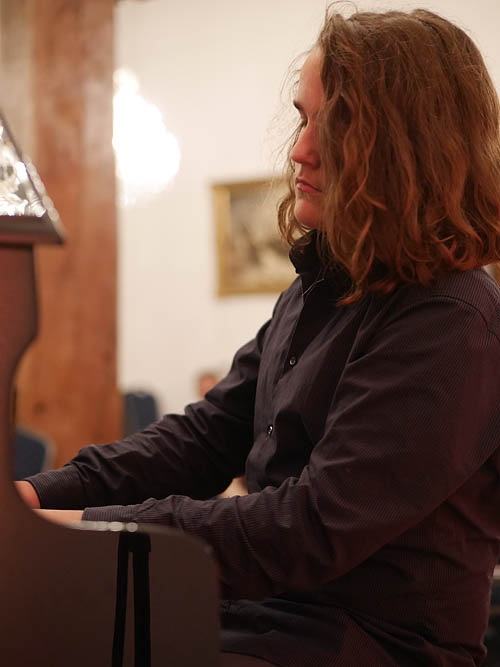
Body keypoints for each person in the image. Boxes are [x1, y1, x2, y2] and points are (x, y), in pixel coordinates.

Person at [16, 6, 500, 666]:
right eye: (304, 119)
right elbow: (205, 436)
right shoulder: (320, 288)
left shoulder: (454, 320)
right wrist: (35, 495)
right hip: (268, 622)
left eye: (338, 127)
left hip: (370, 646)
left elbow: (306, 528)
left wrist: (71, 529)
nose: (301, 151)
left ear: (411, 147)